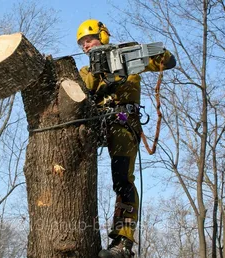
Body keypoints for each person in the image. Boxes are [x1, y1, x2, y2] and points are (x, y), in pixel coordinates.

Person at [76, 19, 176, 257]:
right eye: (81, 44)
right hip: (96, 126)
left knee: (122, 179)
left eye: (88, 40)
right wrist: (97, 70)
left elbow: (167, 61)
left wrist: (138, 53)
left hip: (122, 123)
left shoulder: (126, 58)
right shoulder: (87, 71)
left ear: (103, 36)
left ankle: (123, 242)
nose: (85, 46)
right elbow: (82, 89)